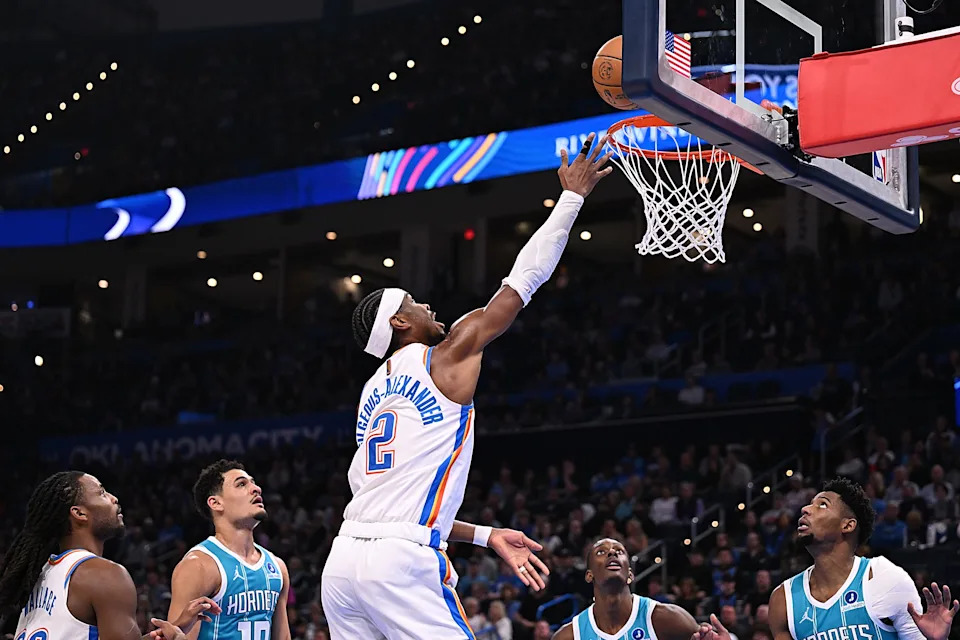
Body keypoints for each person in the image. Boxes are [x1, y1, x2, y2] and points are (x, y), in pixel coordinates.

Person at [321, 133, 614, 638]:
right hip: (399, 562)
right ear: (399, 322)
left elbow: (390, 508)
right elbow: (523, 281)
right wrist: (572, 198)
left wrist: (485, 534)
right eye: (414, 302)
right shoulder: (447, 353)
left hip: (343, 563)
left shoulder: (371, 394)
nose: (427, 306)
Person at [700, 477, 958, 640]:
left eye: (822, 504)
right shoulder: (784, 598)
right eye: (809, 504)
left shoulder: (885, 578)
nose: (805, 509)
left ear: (848, 525)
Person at [0, 472, 211, 640]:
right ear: (79, 514)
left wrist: (174, 628)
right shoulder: (105, 575)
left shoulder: (41, 574)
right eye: (102, 493)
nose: (113, 498)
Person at [167, 460, 291, 640]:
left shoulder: (277, 567)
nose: (256, 489)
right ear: (216, 503)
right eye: (241, 484)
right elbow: (179, 636)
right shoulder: (199, 566)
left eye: (253, 482)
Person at [552, 537, 702, 640]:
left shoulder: (666, 618)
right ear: (589, 576)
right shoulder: (570, 635)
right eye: (601, 552)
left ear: (630, 575)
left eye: (619, 551)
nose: (612, 552)